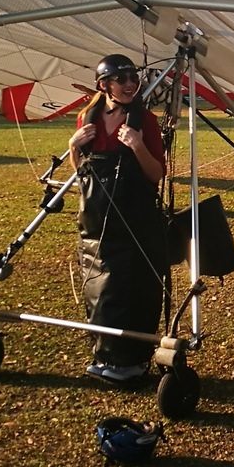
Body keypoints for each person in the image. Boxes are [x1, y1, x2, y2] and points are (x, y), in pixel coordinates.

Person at [69, 54, 169, 386]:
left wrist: (138, 146)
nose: (129, 85)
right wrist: (73, 146)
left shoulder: (146, 121)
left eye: (133, 79)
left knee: (134, 287)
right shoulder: (88, 117)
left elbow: (156, 174)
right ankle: (105, 355)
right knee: (101, 288)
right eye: (121, 79)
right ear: (104, 85)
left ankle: (133, 361)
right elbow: (81, 174)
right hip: (97, 222)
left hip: (136, 219)